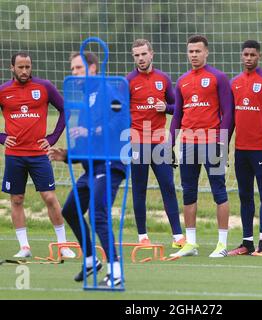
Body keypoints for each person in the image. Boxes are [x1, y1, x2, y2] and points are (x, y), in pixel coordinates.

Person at [48, 51, 125, 287]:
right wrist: (67, 156)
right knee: (70, 210)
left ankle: (116, 273)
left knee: (98, 214)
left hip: (111, 163)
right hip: (92, 167)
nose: (74, 73)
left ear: (92, 68)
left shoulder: (106, 91)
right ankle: (91, 261)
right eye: (72, 69)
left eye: (78, 68)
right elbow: (85, 141)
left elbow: (121, 117)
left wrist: (92, 131)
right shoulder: (86, 97)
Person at [0, 52, 75, 259]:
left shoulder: (44, 87)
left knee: (50, 197)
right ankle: (24, 247)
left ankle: (63, 245)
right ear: (11, 68)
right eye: (20, 67)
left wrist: (52, 139)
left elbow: (65, 110)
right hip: (14, 155)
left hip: (39, 154)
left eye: (27, 67)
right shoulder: (3, 91)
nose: (25, 71)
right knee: (17, 199)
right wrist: (1, 137)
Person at [169, 34, 233, 258]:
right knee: (188, 192)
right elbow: (177, 116)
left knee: (219, 191)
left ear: (206, 52)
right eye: (191, 51)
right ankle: (191, 244)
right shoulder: (183, 81)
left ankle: (222, 244)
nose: (194, 55)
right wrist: (170, 144)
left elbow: (228, 113)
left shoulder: (218, 78)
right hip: (187, 144)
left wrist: (222, 144)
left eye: (198, 51)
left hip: (212, 142)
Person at [126, 39, 184, 247]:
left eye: (143, 54)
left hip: (160, 143)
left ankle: (178, 236)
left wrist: (166, 107)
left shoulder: (163, 79)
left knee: (168, 186)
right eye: (136, 55)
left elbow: (177, 106)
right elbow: (121, 112)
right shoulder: (129, 81)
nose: (140, 59)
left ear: (152, 54)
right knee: (139, 189)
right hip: (137, 144)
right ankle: (143, 237)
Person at [228, 40, 262, 257]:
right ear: (241, 56)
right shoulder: (235, 82)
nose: (248, 58)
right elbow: (230, 117)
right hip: (241, 150)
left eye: (253, 54)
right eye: (245, 54)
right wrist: (224, 141)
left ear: (259, 56)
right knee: (244, 195)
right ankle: (247, 243)